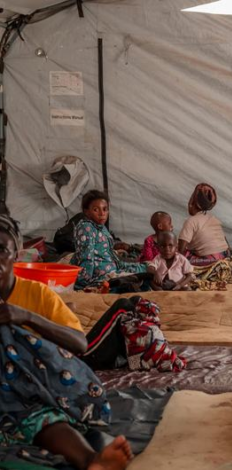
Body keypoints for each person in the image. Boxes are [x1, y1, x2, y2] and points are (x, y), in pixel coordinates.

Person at [0, 213, 133, 469]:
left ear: (16, 256)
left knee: (43, 419)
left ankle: (91, 461)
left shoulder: (36, 294)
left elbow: (79, 344)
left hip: (32, 390)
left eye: (1, 251)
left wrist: (24, 317)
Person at [71, 190, 146, 290]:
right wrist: (83, 282)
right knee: (137, 278)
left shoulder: (100, 226)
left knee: (147, 267)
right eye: (96, 210)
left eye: (105, 209)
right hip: (100, 274)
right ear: (86, 212)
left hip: (112, 266)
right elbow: (86, 256)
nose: (102, 213)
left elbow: (110, 253)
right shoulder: (86, 227)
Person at [178, 183, 231, 266]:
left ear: (192, 202)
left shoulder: (191, 221)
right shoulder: (214, 218)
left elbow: (181, 250)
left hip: (212, 260)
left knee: (180, 255)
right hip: (226, 256)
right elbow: (226, 242)